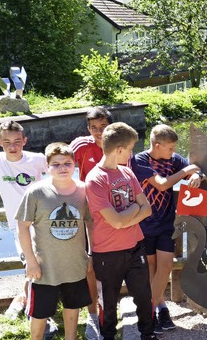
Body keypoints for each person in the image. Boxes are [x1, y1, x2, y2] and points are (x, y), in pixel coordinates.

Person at [85, 122, 156, 340]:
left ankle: (148, 334)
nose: (132, 152)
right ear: (119, 150)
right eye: (131, 148)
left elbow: (147, 209)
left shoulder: (127, 172)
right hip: (107, 253)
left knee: (144, 296)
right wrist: (134, 209)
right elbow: (117, 220)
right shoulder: (95, 179)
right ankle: (108, 336)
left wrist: (126, 218)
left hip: (135, 247)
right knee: (108, 300)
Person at [131, 124, 203, 334]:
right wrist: (185, 171)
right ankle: (161, 309)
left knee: (165, 267)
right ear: (157, 145)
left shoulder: (173, 159)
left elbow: (194, 168)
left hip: (166, 223)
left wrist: (195, 175)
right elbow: (162, 184)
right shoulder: (139, 160)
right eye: (170, 148)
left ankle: (149, 313)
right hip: (144, 223)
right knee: (151, 270)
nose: (173, 152)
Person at [16, 143, 92, 340]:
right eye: (56, 164)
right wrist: (31, 261)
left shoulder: (84, 190)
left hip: (74, 264)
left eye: (67, 163)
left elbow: (90, 225)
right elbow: (22, 227)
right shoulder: (36, 192)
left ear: (75, 164)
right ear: (47, 167)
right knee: (39, 313)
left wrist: (91, 254)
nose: (62, 168)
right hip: (44, 267)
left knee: (73, 308)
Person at [0, 121, 51, 332]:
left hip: (43, 222)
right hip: (18, 227)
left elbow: (62, 172)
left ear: (24, 141)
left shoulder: (38, 159)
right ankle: (34, 308)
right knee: (31, 266)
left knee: (42, 266)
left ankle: (33, 306)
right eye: (7, 142)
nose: (12, 147)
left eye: (17, 142)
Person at [69, 106, 112, 339]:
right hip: (89, 215)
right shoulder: (82, 145)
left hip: (115, 215)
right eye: (94, 127)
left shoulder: (118, 144)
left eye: (103, 127)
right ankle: (92, 314)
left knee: (112, 264)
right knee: (90, 263)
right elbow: (61, 163)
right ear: (88, 128)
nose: (98, 132)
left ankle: (108, 310)